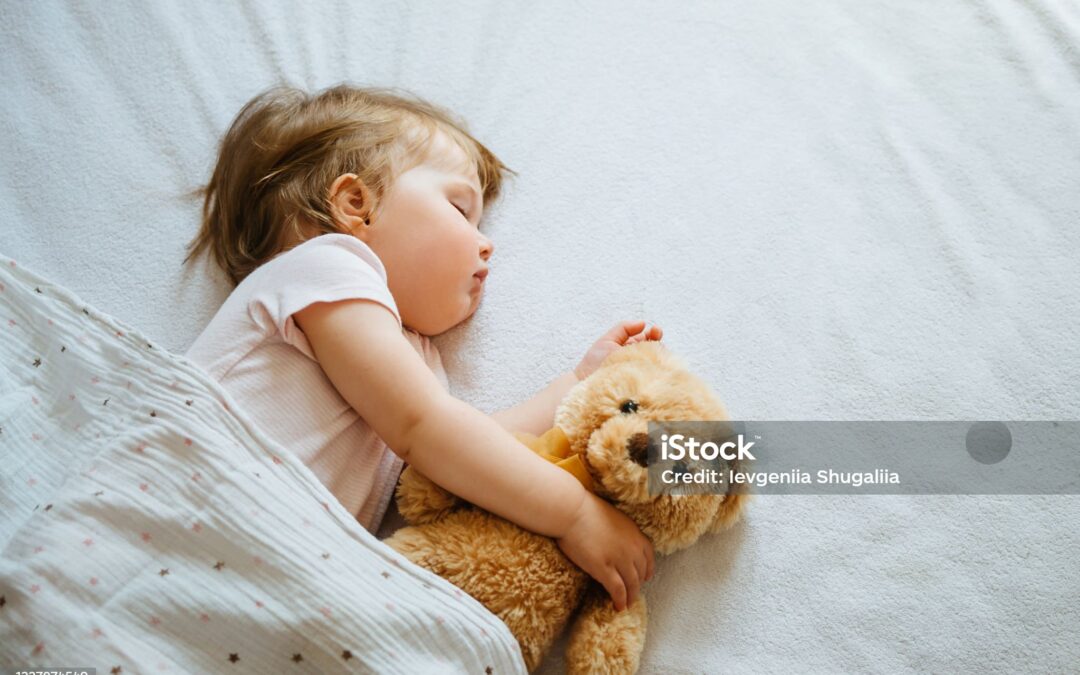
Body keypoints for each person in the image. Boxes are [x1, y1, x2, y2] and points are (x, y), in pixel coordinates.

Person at [184, 84, 662, 611]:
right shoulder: (325, 269)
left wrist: (573, 388)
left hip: (260, 584)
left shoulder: (413, 363)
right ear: (355, 206)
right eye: (460, 210)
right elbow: (427, 431)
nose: (487, 243)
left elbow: (456, 458)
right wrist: (574, 513)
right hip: (193, 516)